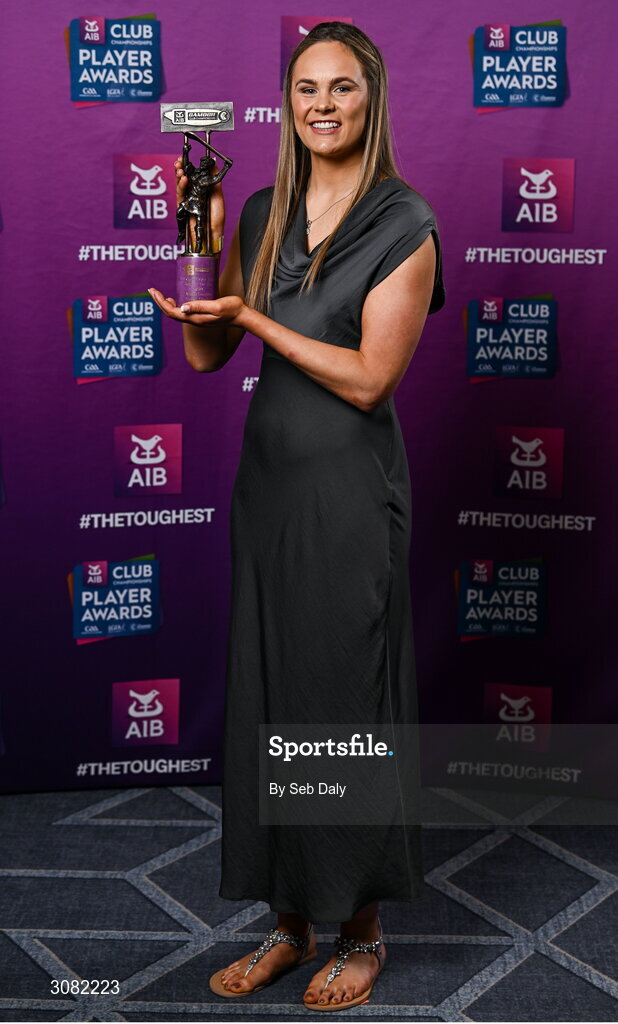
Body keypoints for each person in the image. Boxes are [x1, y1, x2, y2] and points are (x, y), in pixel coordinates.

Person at [149, 20, 444, 1012]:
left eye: (343, 88)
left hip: (353, 495)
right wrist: (201, 237)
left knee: (341, 702)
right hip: (269, 490)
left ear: (373, 100)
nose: (322, 104)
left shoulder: (407, 220)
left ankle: (360, 931)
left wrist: (254, 318)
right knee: (274, 697)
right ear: (288, 104)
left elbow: (368, 379)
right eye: (306, 88)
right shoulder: (267, 208)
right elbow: (205, 357)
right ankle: (289, 921)